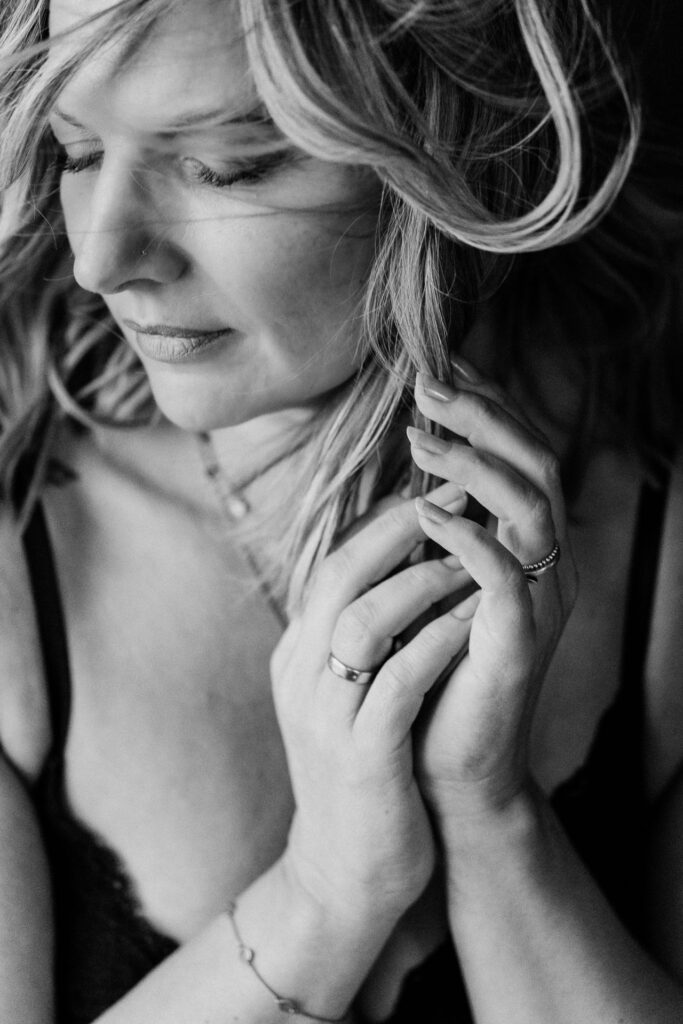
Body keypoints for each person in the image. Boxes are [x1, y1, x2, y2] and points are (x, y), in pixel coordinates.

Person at [0, 0, 682, 1022]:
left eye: (221, 166)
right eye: (77, 150)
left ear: (439, 144)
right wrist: (322, 895)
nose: (101, 258)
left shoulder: (659, 543)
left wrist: (489, 813)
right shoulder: (24, 554)